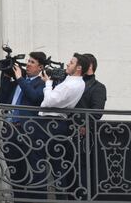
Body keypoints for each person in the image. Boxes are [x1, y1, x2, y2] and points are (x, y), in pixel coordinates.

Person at [39, 52, 90, 199]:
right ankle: (61, 198)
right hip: (56, 124)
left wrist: (48, 83)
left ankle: (59, 198)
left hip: (51, 124)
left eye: (71, 62)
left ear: (79, 68)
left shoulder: (72, 85)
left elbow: (49, 102)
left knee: (46, 164)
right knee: (57, 166)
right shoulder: (74, 82)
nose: (68, 64)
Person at [0, 51, 47, 200]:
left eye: (32, 62)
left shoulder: (43, 83)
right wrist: (6, 76)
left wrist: (19, 78)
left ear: (40, 67)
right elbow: (1, 100)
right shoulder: (18, 82)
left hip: (29, 133)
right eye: (28, 61)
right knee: (15, 172)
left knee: (32, 171)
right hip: (10, 131)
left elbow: (35, 96)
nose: (28, 65)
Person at [73, 53, 107, 200]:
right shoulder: (73, 82)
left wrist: (84, 125)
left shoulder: (98, 87)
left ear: (90, 66)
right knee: (70, 169)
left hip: (85, 136)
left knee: (84, 170)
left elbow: (97, 111)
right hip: (68, 132)